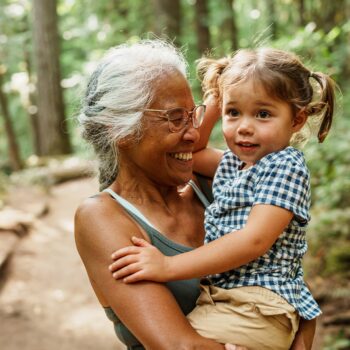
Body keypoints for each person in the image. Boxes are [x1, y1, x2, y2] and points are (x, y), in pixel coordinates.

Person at [109, 47, 336, 349]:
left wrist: (167, 267)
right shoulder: (234, 164)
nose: (244, 127)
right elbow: (196, 149)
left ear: (296, 121)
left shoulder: (285, 166)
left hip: (257, 304)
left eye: (263, 114)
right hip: (229, 298)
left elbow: (253, 240)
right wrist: (217, 98)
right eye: (234, 113)